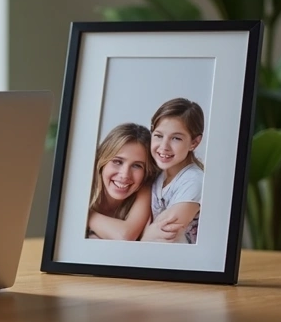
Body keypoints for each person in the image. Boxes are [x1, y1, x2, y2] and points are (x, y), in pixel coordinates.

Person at [142, 98, 205, 244]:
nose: (164, 146)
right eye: (158, 136)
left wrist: (144, 235)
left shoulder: (194, 180)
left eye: (176, 138)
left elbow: (164, 233)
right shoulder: (157, 174)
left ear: (194, 142)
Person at [85, 123, 154, 240]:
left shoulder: (145, 188)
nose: (125, 175)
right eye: (117, 162)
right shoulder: (84, 182)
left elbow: (125, 235)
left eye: (137, 166)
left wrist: (86, 215)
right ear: (102, 161)